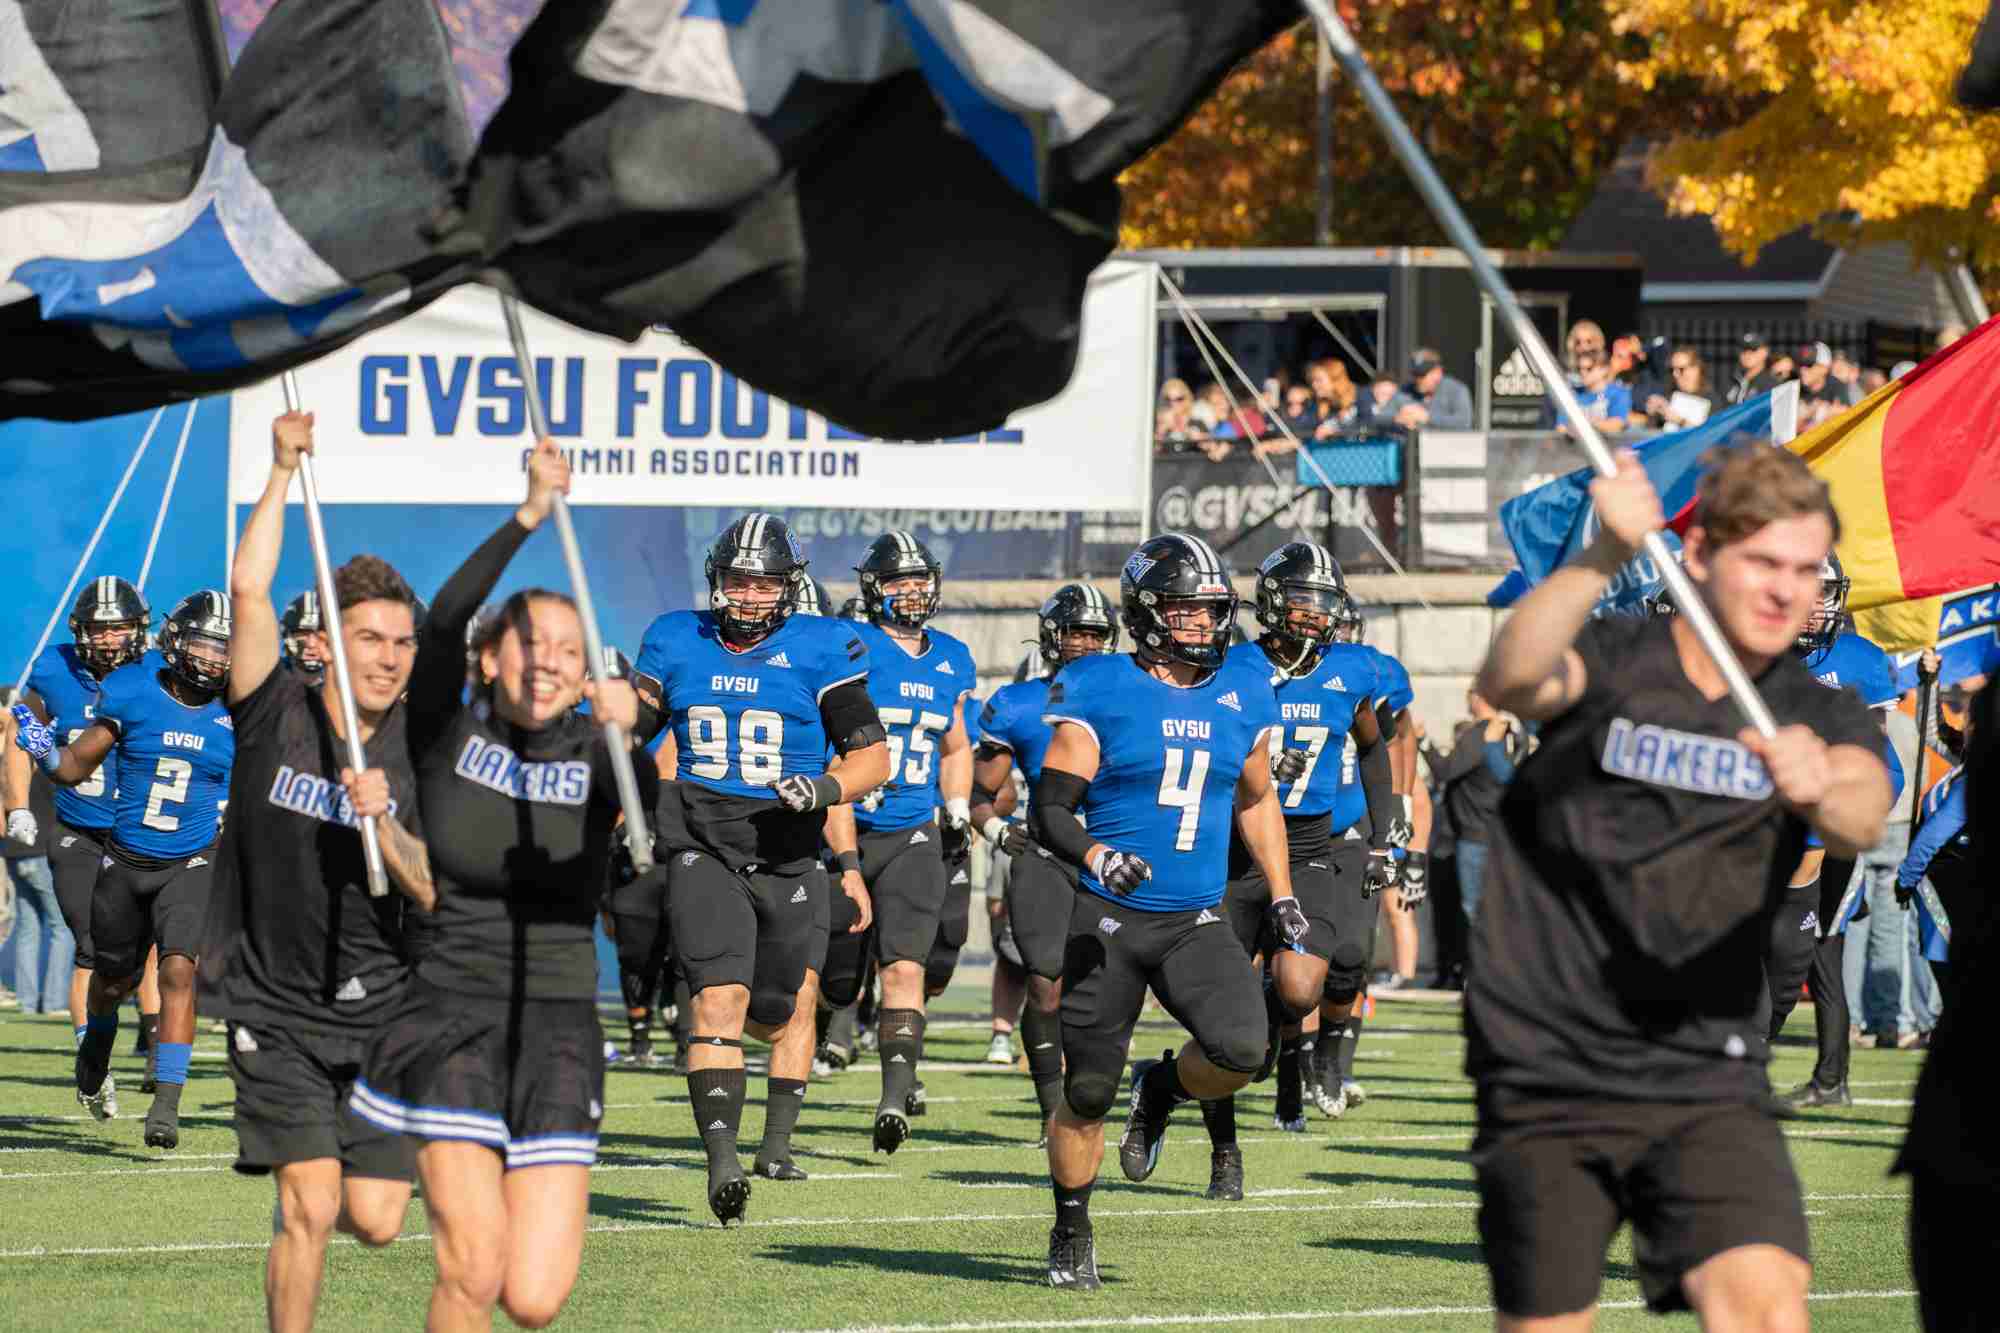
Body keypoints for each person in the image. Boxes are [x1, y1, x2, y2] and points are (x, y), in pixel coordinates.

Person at [1468, 443, 1893, 1329]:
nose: (1789, 591)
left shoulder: (1811, 703)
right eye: (1764, 563)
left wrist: (1820, 782)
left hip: (1705, 1061)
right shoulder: (1622, 655)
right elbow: (1508, 677)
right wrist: (1601, 556)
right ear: (1698, 557)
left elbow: (1864, 807)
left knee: (1769, 1308)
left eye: (1808, 569)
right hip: (1553, 1055)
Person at [347, 440, 654, 1331]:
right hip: (451, 1008)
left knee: (533, 1297)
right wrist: (527, 513)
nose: (549, 659)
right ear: (492, 658)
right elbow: (441, 623)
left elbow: (650, 815)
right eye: (530, 641)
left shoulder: (601, 753)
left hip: (559, 1022)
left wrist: (632, 736)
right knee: (473, 1269)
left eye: (569, 647)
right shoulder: (447, 727)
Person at [211, 410, 433, 1331]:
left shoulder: (428, 748)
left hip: (383, 1010)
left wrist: (386, 827)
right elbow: (248, 587)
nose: (386, 657)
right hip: (274, 1003)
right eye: (369, 639)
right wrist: (275, 471)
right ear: (331, 643)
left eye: (401, 641)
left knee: (377, 1220)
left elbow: (431, 889)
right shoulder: (275, 708)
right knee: (307, 1207)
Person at [1032, 532, 1296, 1290]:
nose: (1201, 626)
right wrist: (1096, 855)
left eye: (1211, 611)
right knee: (1084, 1091)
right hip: (1111, 915)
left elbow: (1256, 798)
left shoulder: (1243, 687)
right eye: (1184, 611)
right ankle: (1071, 1225)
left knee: (1246, 1049)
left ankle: (1162, 1089)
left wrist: (1281, 892)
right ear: (1147, 612)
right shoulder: (1099, 686)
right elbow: (1051, 808)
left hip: (1194, 916)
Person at [632, 515, 888, 1208]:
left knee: (777, 1012)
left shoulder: (823, 646)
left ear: (788, 587)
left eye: (763, 582)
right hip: (703, 845)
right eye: (738, 580)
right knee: (717, 1002)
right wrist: (610, 716)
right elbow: (634, 730)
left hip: (788, 853)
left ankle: (776, 1139)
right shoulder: (674, 637)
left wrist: (825, 788)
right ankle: (722, 1162)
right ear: (717, 579)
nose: (747, 596)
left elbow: (873, 755)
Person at [1195, 543, 1400, 1199]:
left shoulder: (1353, 670)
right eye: (1304, 601)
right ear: (1275, 602)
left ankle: (1291, 1052)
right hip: (1232, 845)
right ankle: (1224, 1150)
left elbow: (1374, 744)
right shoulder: (1233, 665)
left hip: (1309, 840)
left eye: (1324, 603)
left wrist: (1385, 818)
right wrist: (1245, 772)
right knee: (1219, 1023)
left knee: (1303, 985)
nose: (1315, 616)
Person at [15, 589, 238, 1148]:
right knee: (111, 980)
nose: (214, 660)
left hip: (193, 858)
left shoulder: (242, 709)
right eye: (205, 647)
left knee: (180, 970)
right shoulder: (133, 690)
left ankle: (166, 1104)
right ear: (176, 643)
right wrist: (40, 747)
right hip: (126, 856)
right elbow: (69, 769)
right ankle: (95, 1051)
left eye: (224, 650)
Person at [846, 531, 977, 1154]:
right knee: (828, 978)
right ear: (874, 588)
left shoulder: (951, 656)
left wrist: (956, 806)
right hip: (844, 826)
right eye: (898, 581)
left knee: (905, 966)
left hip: (911, 828)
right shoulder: (851, 645)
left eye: (919, 580)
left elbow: (954, 744)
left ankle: (895, 1094)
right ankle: (835, 1031)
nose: (912, 591)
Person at [970, 584, 1118, 1138]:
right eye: (1075, 630)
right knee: (1045, 983)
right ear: (1052, 635)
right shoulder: (1018, 703)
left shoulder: (1137, 693)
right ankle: (1052, 1106)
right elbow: (982, 791)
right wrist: (993, 828)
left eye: (1095, 633)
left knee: (1105, 988)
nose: (1084, 642)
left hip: (1117, 855)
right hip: (1048, 854)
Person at [1760, 552, 1904, 1113]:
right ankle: (1813, 1072)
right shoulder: (1756, 651)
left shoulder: (1858, 657)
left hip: (1832, 827)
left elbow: (1873, 751)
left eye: (1821, 589)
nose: (1812, 602)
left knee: (1819, 951)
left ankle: (1818, 1071)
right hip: (1772, 820)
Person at [6, 577, 148, 1056]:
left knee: (149, 949)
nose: (109, 639)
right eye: (99, 629)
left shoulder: (157, 671)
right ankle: (93, 1049)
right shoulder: (53, 668)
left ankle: (151, 1039)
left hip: (143, 831)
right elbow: (19, 730)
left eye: (120, 628)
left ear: (140, 629)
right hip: (82, 826)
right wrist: (18, 806)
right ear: (80, 630)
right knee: (90, 945)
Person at [1896, 679, 1995, 1331]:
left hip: (1949, 908)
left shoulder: (1968, 780)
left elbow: (1935, 832)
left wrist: (1906, 878)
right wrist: (1931, 681)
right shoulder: (1961, 761)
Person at [1, 702, 69, 1021]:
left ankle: (28, 1002)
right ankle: (54, 1001)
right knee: (61, 926)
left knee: (28, 927)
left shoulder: (10, 761)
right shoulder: (47, 760)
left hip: (14, 851)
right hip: (41, 850)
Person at [1643, 345, 1720, 430]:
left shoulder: (1713, 401)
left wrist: (1680, 421)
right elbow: (1652, 433)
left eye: (1681, 369)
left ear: (1696, 369)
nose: (1675, 374)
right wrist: (1653, 415)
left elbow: (1709, 435)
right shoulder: (1670, 395)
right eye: (1672, 369)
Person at [1405, 348, 1474, 429]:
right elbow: (1389, 412)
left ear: (1438, 372)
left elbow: (1464, 422)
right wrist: (1399, 418)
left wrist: (1428, 418)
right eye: (1416, 374)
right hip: (1416, 440)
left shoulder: (1456, 390)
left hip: (1447, 441)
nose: (1418, 379)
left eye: (1422, 374)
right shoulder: (1407, 390)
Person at [280, 591, 328, 683]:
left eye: (320, 635)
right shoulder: (262, 680)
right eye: (304, 633)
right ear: (287, 635)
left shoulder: (348, 688)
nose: (311, 644)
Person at [1728, 332, 1781, 404]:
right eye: (1744, 349)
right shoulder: (1733, 380)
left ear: (1765, 352)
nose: (1747, 354)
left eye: (1753, 349)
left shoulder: (1771, 384)